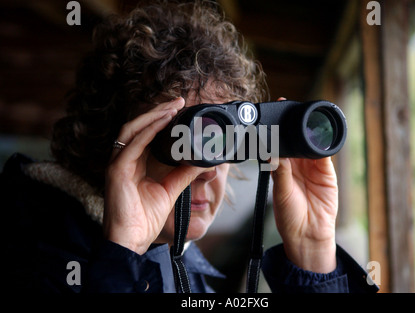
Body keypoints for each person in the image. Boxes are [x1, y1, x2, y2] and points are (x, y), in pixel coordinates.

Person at [1, 0, 378, 293]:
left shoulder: (175, 255)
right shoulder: (30, 257)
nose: (209, 170)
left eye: (223, 141)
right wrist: (122, 256)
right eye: (190, 139)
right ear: (110, 144)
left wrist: (314, 255)